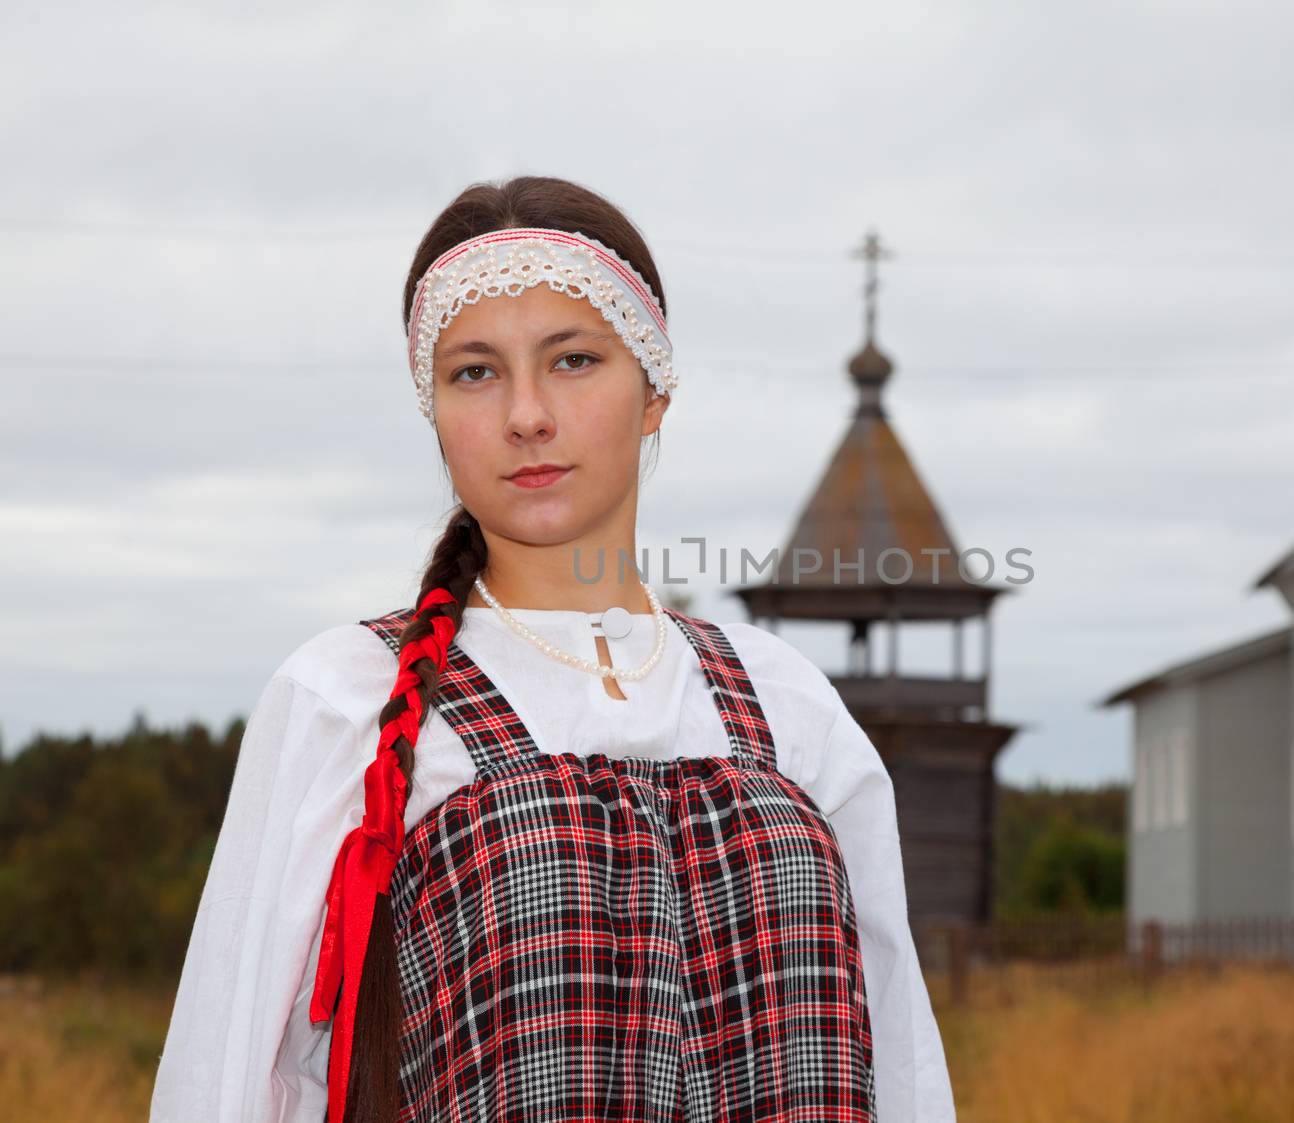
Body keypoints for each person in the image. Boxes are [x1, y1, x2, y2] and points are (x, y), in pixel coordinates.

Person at [149, 175, 957, 1122]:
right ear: (434, 413)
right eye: (476, 372)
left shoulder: (789, 706)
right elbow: (232, 1079)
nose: (525, 414)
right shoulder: (345, 700)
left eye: (573, 360)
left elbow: (898, 1067)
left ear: (653, 392)